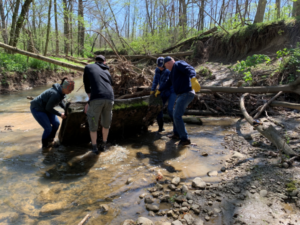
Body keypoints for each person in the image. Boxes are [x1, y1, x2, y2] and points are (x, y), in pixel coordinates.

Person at [163, 56, 200, 145]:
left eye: (165, 66)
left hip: (186, 93)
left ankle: (184, 139)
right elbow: (168, 83)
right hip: (181, 95)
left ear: (168, 63)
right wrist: (159, 90)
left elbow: (189, 69)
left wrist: (193, 78)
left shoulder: (178, 64)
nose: (166, 68)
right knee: (175, 114)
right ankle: (177, 134)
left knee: (176, 115)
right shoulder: (172, 73)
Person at [30, 77, 74, 148]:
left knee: (56, 123)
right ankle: (45, 146)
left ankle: (50, 141)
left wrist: (66, 109)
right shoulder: (55, 94)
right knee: (48, 128)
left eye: (72, 90)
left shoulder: (61, 92)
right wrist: (60, 114)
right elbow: (48, 108)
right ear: (64, 87)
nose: (70, 92)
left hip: (46, 108)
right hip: (37, 108)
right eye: (70, 90)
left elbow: (60, 102)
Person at [83, 55, 114, 155]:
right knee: (106, 124)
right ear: (104, 62)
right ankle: (104, 145)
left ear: (95, 61)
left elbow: (86, 83)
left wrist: (90, 98)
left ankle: (94, 148)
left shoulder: (88, 67)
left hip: (97, 98)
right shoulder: (107, 71)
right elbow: (111, 84)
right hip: (110, 98)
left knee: (93, 124)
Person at [150, 57, 177, 134]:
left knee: (170, 109)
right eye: (159, 66)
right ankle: (161, 128)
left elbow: (166, 82)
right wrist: (152, 90)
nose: (161, 67)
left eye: (162, 65)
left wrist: (159, 90)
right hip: (163, 91)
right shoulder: (157, 70)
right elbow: (155, 80)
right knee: (159, 109)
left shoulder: (168, 70)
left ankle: (176, 129)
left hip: (172, 91)